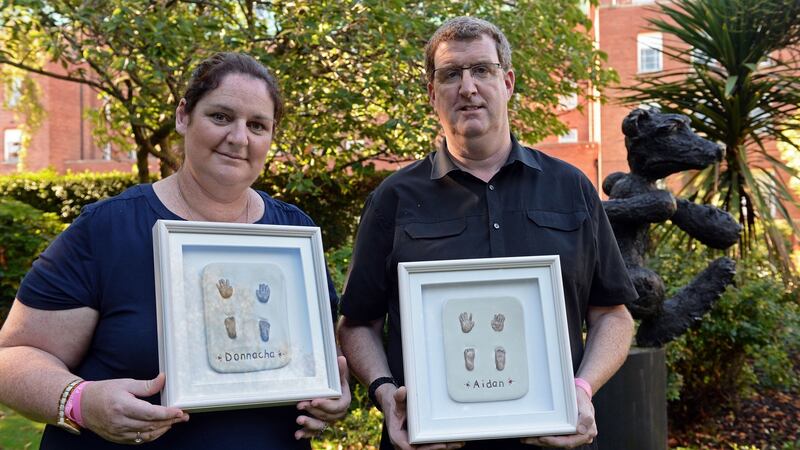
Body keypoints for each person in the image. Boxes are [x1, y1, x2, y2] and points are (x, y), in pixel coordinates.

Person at [0, 52, 350, 449]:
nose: (239, 138)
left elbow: (320, 360)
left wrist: (333, 393)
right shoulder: (107, 229)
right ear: (184, 116)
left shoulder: (293, 234)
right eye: (220, 116)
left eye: (257, 125)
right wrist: (79, 401)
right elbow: (12, 356)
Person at [337, 17, 636, 450]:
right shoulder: (393, 198)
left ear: (508, 81)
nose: (468, 87)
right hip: (428, 442)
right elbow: (357, 323)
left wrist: (582, 389)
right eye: (450, 75)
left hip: (552, 439)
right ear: (432, 93)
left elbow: (613, 315)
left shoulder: (570, 188)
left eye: (481, 70)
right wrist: (386, 395)